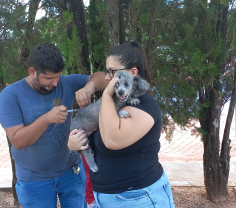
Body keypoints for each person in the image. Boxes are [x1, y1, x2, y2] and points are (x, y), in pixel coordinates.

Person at [0, 43, 108, 208]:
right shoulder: (11, 95)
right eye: (48, 78)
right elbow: (18, 141)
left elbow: (103, 78)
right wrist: (46, 119)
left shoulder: (66, 83)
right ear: (32, 72)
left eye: (58, 77)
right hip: (33, 180)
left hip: (71, 172)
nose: (55, 83)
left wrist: (89, 86)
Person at [68, 41, 175, 208]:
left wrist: (108, 93)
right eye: (107, 72)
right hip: (106, 198)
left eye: (112, 72)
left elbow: (112, 139)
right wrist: (74, 143)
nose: (107, 77)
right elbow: (96, 141)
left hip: (140, 198)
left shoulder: (145, 105)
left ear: (132, 73)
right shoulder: (114, 103)